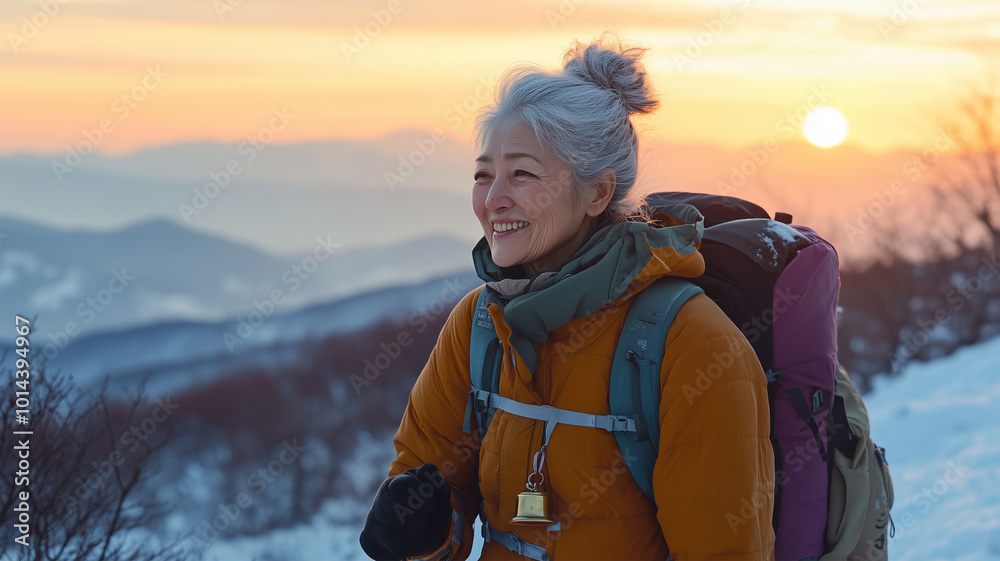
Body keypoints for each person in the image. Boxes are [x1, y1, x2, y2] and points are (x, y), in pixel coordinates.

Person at [360, 34, 775, 561]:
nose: (492, 200)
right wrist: (418, 533)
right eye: (483, 174)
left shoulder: (690, 344)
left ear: (598, 193)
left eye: (522, 174)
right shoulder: (481, 325)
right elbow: (431, 474)